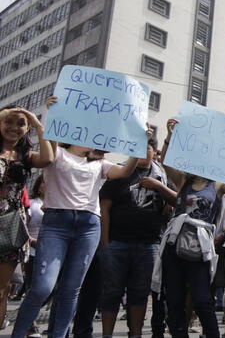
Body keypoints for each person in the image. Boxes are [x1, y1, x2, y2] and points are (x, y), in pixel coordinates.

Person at [11, 97, 138, 338]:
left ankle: (57, 335)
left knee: (71, 289)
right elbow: (47, 146)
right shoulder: (57, 153)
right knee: (42, 287)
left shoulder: (99, 163)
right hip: (56, 223)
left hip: (89, 226)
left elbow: (124, 172)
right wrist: (51, 114)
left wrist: (137, 149)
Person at [151, 118, 225, 338]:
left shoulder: (218, 184)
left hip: (200, 247)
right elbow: (166, 162)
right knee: (174, 300)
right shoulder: (182, 180)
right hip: (175, 244)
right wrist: (170, 136)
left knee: (202, 299)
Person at [99, 136, 174, 338]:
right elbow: (104, 208)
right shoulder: (120, 171)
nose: (142, 152)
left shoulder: (162, 175)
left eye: (147, 148)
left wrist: (158, 186)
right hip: (117, 243)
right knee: (112, 291)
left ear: (153, 151)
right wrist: (105, 243)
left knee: (140, 292)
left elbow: (177, 199)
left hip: (149, 244)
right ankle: (107, 334)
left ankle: (136, 334)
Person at [0, 105, 52, 333]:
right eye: (8, 122)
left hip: (11, 227)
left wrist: (38, 124)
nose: (14, 127)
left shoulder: (26, 156)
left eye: (20, 123)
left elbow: (48, 158)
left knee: (2, 290)